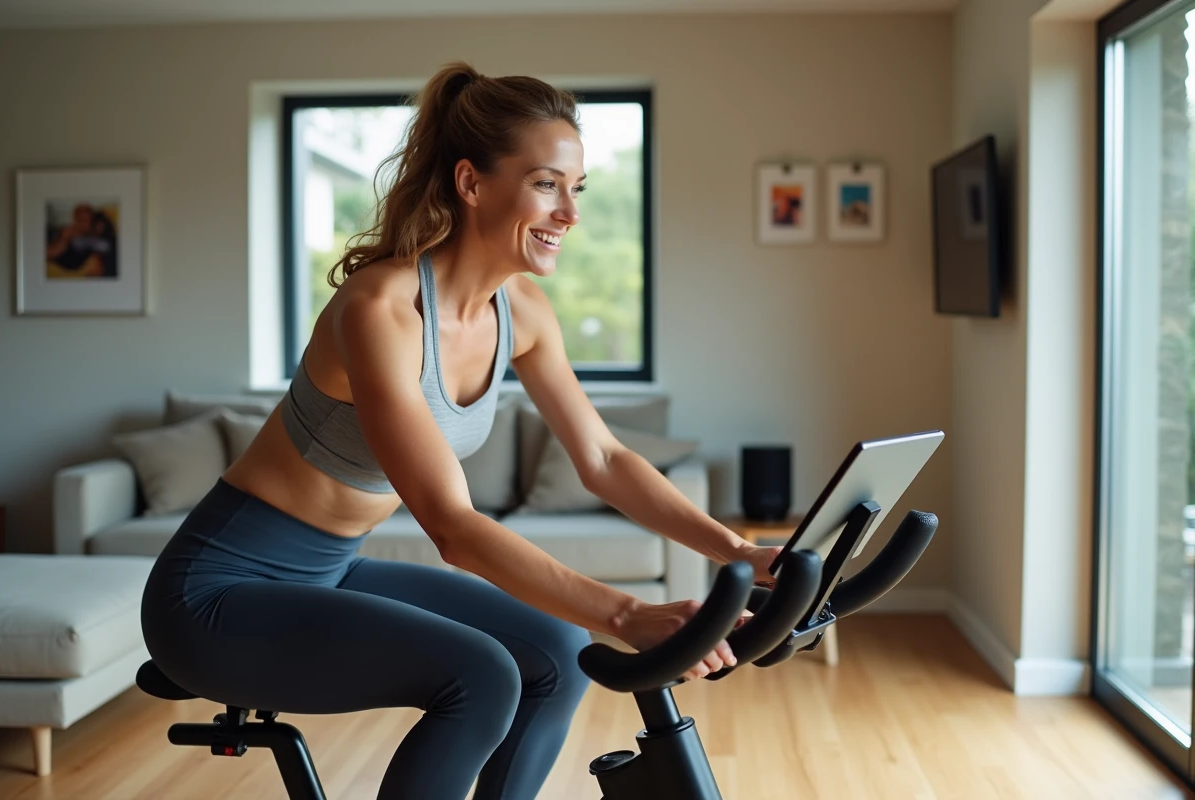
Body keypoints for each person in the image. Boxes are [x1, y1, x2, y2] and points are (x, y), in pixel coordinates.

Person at [139, 61, 782, 800]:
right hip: (215, 594)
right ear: (471, 183)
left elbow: (603, 458)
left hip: (331, 568)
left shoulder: (524, 312)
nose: (570, 214)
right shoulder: (382, 310)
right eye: (546, 184)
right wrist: (627, 613)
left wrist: (738, 551)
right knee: (481, 675)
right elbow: (452, 527)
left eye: (576, 189)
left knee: (558, 652)